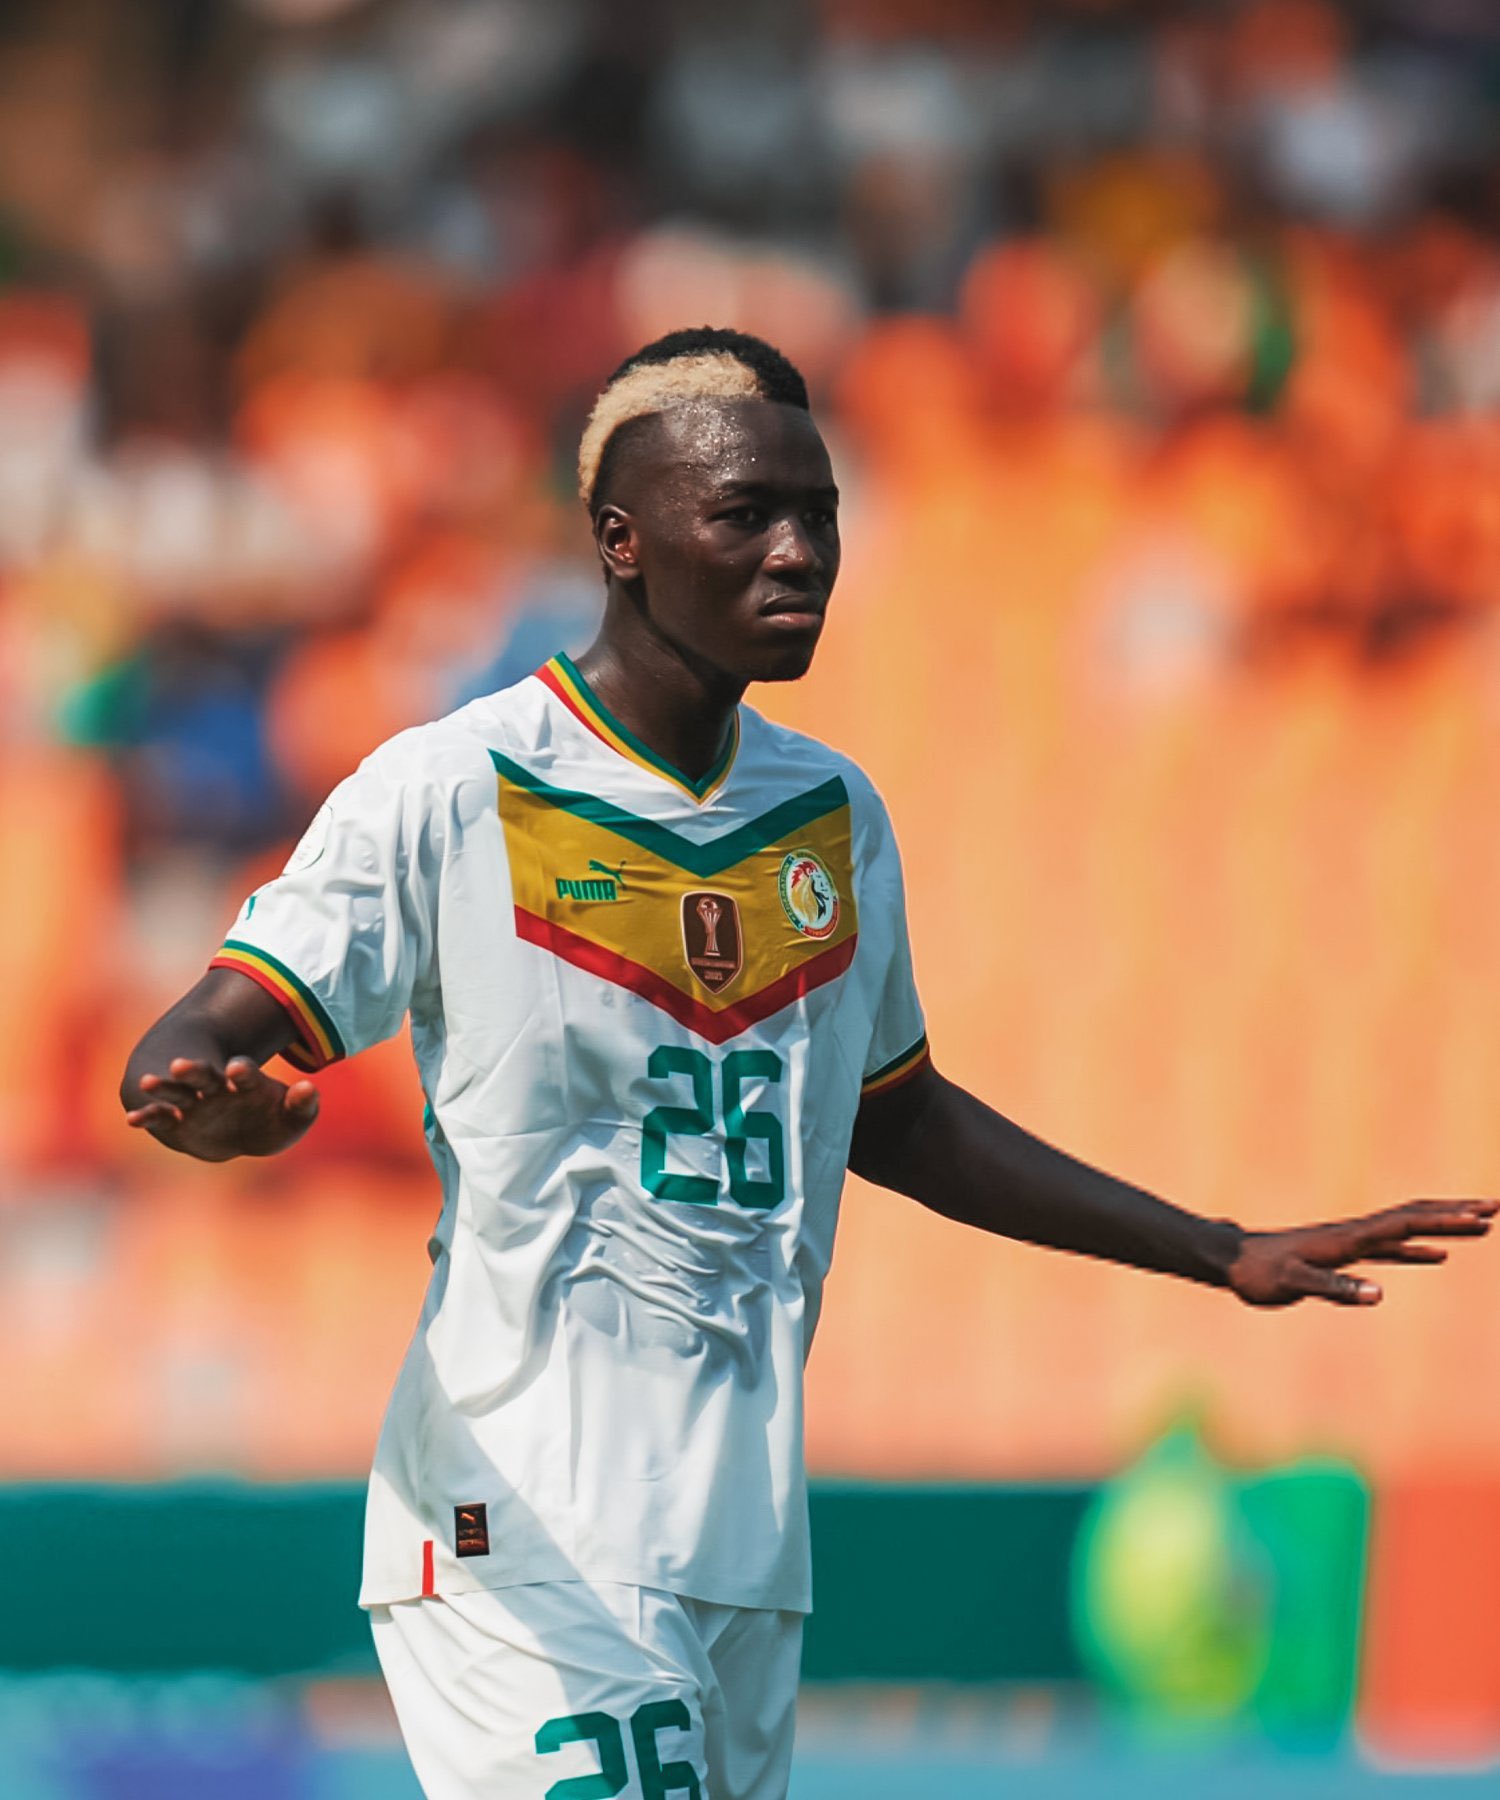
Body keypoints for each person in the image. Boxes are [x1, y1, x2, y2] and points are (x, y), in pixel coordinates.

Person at [121, 327, 1493, 1800]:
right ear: (621, 539)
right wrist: (206, 1108)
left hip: (740, 1538)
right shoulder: (454, 787)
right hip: (517, 1513)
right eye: (746, 516)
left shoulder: (832, 815)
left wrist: (1220, 1249)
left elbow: (897, 1123)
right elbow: (193, 1038)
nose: (800, 552)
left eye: (819, 514)